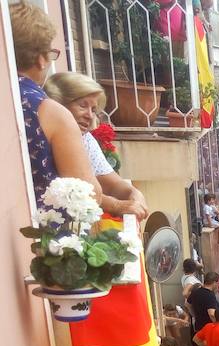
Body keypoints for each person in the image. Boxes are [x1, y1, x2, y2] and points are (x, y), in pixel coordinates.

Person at [10, 2, 101, 202]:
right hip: (44, 231)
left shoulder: (8, 96)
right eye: (52, 54)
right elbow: (89, 195)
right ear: (42, 59)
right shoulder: (50, 111)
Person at [43, 72, 147, 217]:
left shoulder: (86, 140)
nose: (90, 116)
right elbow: (82, 191)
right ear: (60, 106)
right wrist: (117, 205)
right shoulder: (49, 136)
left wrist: (133, 193)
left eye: (93, 109)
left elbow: (112, 184)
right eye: (83, 106)